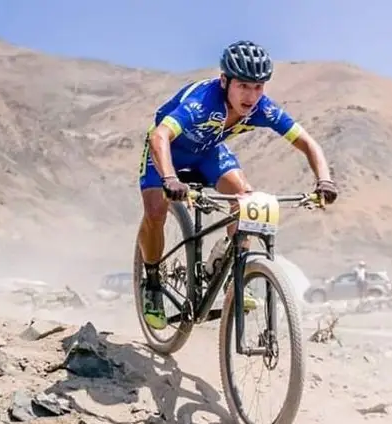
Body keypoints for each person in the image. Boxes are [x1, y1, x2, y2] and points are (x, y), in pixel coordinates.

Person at [136, 40, 338, 330]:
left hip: (207, 152)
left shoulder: (262, 109)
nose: (251, 96)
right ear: (224, 81)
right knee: (156, 211)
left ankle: (232, 270)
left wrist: (324, 180)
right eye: (243, 86)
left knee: (246, 199)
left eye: (258, 87)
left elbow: (307, 142)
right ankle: (152, 282)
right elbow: (160, 137)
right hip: (167, 151)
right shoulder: (203, 102)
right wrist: (169, 178)